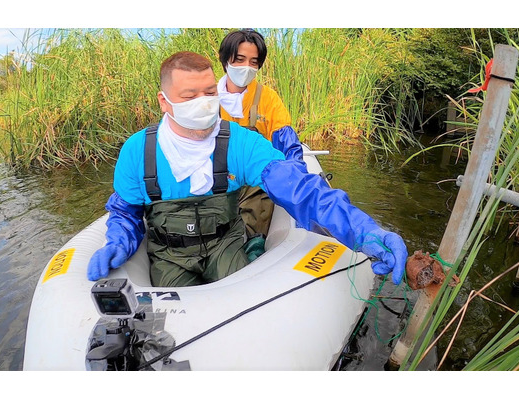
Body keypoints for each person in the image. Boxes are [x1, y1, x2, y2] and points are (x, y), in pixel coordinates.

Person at [86, 51, 408, 288]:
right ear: (164, 101)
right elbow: (126, 212)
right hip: (168, 254)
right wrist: (118, 241)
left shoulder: (240, 143)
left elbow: (302, 190)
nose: (204, 102)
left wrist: (366, 231)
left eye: (210, 92)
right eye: (190, 95)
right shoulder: (137, 152)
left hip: (226, 245)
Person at [218, 29, 303, 242]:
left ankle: (249, 245)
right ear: (225, 59)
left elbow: (287, 143)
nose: (246, 67)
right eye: (239, 59)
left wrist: (298, 182)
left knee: (250, 223)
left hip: (255, 180)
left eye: (253, 62)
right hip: (217, 178)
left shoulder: (268, 98)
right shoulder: (206, 96)